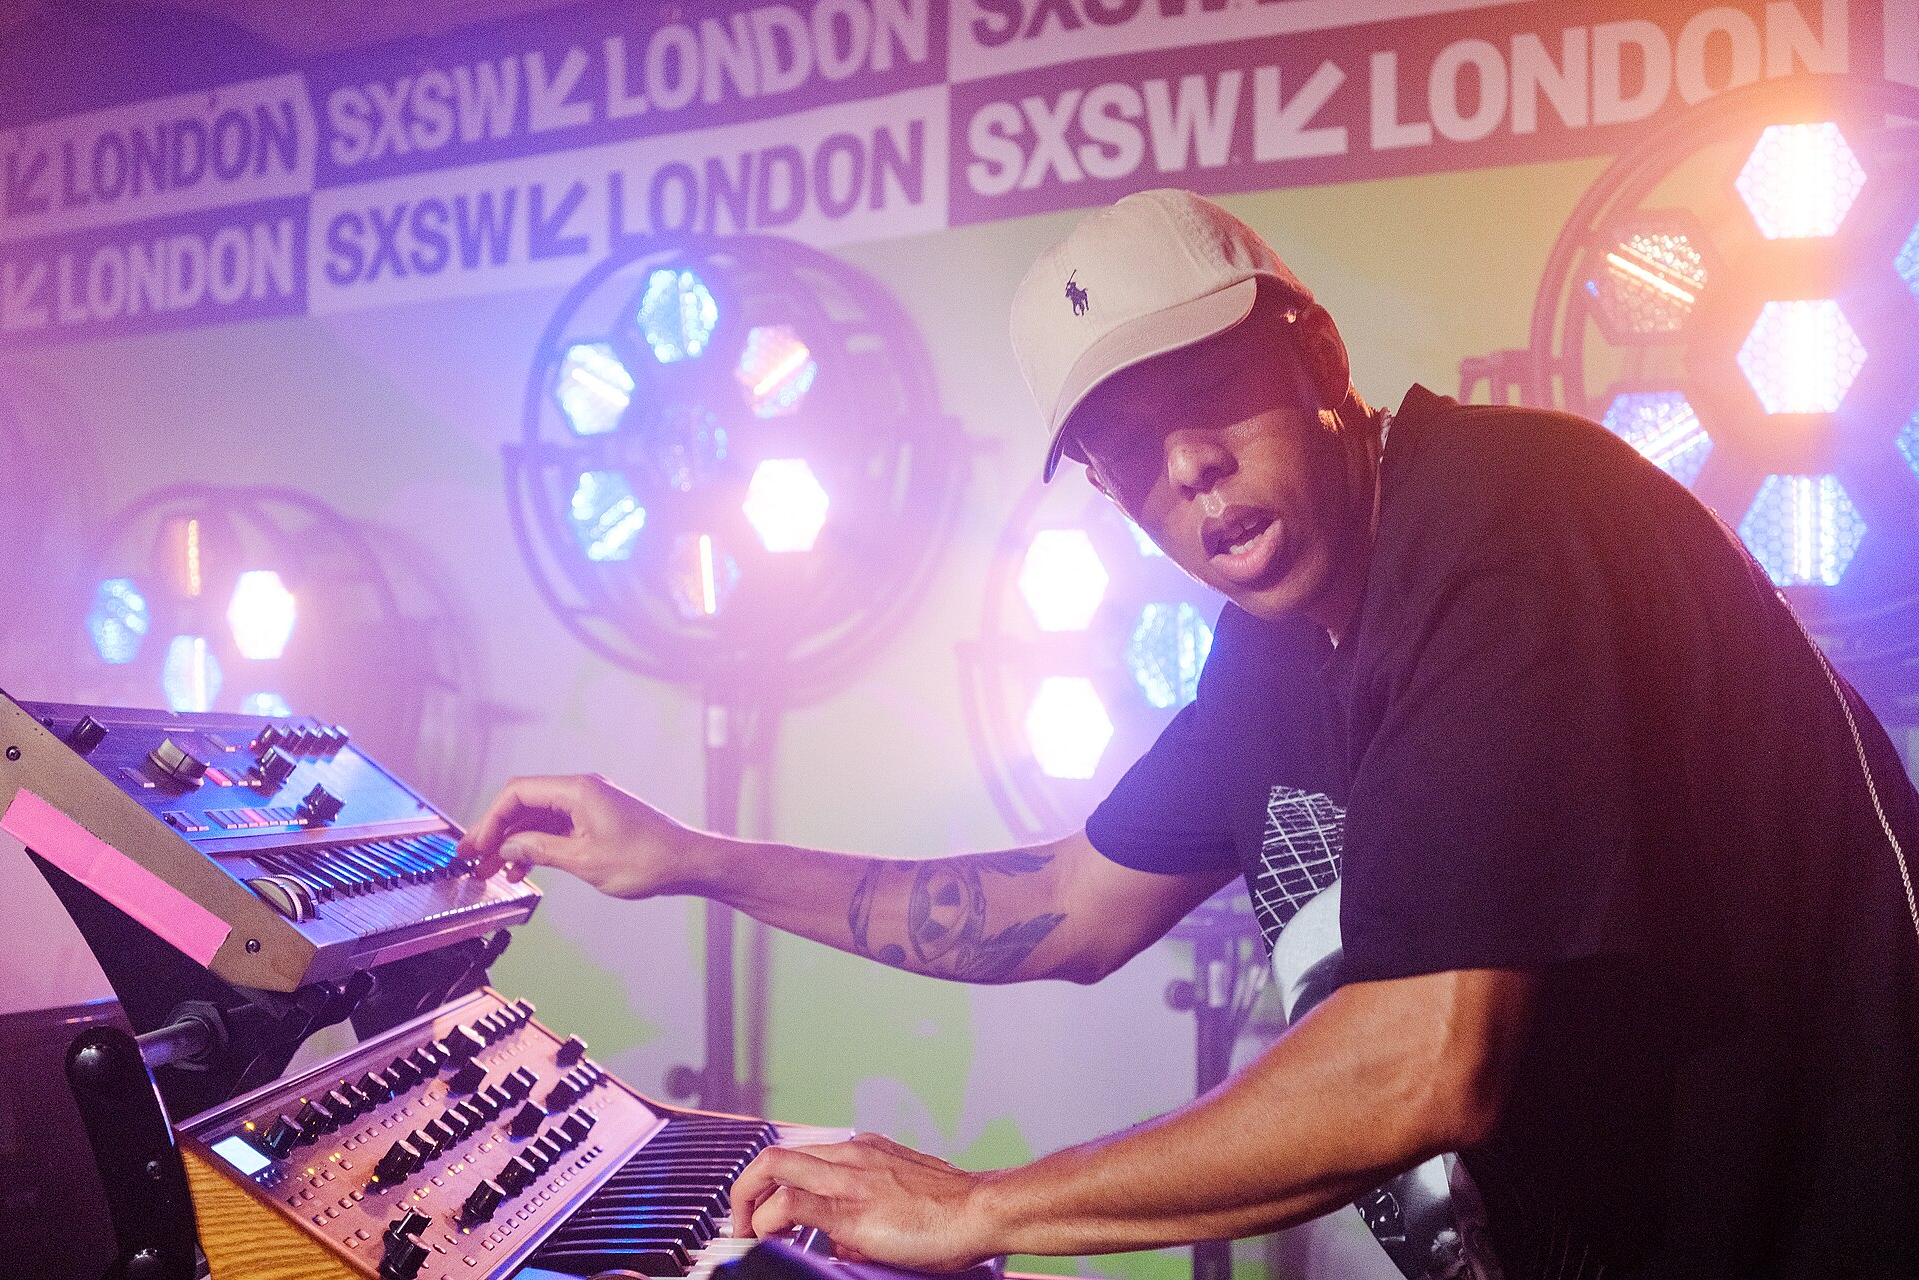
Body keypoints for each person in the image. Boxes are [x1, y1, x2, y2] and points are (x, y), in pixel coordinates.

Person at [462, 190, 1919, 1278]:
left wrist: (978, 1207)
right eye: (1127, 455)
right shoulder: (1274, 650)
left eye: (1208, 396)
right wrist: (693, 858)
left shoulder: (1504, 522)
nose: (1192, 470)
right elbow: (1064, 906)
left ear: (1316, 358)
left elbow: (1428, 1060)